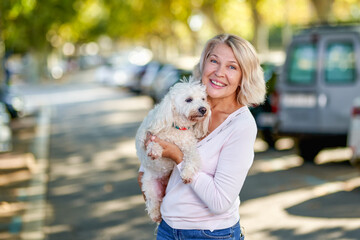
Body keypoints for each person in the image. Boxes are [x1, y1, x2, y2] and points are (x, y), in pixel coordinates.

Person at [138, 33, 266, 240]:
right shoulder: (184, 105)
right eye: (214, 61)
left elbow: (220, 202)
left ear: (244, 76)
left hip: (211, 234)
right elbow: (146, 169)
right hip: (167, 230)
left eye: (232, 67)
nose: (219, 72)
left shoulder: (242, 125)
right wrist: (148, 166)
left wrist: (178, 157)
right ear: (203, 64)